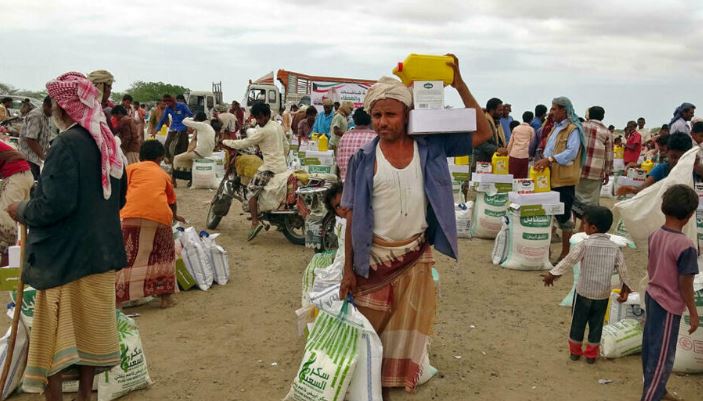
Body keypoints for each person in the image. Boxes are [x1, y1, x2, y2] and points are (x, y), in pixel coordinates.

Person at [339, 55, 491, 396]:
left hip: (414, 257)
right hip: (375, 259)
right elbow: (351, 217)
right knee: (370, 332)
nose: (382, 122)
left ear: (408, 114)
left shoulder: (431, 147)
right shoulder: (363, 159)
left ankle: (388, 386)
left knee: (405, 333)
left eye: (390, 114)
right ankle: (367, 386)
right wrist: (348, 270)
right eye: (377, 115)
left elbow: (483, 131)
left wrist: (459, 83)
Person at [7, 71, 127, 401]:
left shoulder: (66, 145)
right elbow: (119, 199)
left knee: (57, 333)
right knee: (90, 331)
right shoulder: (109, 144)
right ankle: (85, 395)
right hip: (101, 254)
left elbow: (52, 207)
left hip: (65, 258)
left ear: (64, 109)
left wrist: (21, 209)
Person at [542, 206, 631, 363]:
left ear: (593, 227)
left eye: (584, 224)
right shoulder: (614, 248)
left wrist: (553, 274)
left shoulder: (585, 244)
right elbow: (623, 270)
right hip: (602, 295)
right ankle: (591, 355)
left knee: (578, 323)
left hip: (583, 293)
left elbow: (569, 261)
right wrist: (626, 288)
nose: (583, 227)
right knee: (596, 326)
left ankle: (575, 352)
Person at [640, 184, 699, 401]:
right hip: (668, 304)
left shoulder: (655, 235)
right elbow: (686, 283)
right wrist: (693, 312)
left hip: (653, 296)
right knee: (662, 356)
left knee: (650, 348)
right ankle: (652, 395)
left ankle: (658, 390)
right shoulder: (686, 246)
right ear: (690, 215)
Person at [117, 140, 182, 309]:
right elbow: (172, 201)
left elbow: (120, 192)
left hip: (130, 215)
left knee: (128, 257)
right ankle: (165, 299)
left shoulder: (130, 169)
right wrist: (175, 216)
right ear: (160, 158)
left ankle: (119, 300)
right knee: (163, 256)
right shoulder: (163, 174)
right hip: (160, 217)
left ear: (140, 156)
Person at [223, 102, 288, 240]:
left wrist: (226, 142)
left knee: (251, 191)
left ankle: (254, 222)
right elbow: (286, 145)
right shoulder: (277, 126)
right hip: (282, 166)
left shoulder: (264, 131)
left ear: (267, 115)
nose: (258, 121)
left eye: (260, 118)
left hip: (270, 168)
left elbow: (245, 143)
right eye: (256, 118)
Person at [533, 97, 585, 262]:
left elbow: (571, 152)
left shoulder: (573, 130)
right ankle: (546, 253)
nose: (551, 112)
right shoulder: (555, 129)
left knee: (564, 218)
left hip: (563, 180)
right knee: (548, 213)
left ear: (564, 110)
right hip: (549, 178)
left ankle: (565, 253)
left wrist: (549, 160)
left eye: (554, 109)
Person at [617, 133, 692, 196]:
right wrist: (632, 189)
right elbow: (644, 187)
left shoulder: (694, 169)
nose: (677, 161)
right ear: (667, 152)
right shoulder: (662, 169)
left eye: (682, 157)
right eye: (674, 157)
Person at [573, 106, 612, 219]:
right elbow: (609, 155)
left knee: (574, 202)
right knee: (591, 205)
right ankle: (584, 231)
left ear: (589, 114)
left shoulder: (580, 127)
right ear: (603, 117)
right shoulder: (607, 132)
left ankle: (570, 229)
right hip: (595, 173)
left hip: (577, 169)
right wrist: (607, 172)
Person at [0, 140, 34, 263]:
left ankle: (7, 265)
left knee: (6, 221)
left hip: (16, 175)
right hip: (23, 175)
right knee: (19, 218)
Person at [172, 112, 216, 184]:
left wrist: (191, 118)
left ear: (197, 120)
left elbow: (184, 121)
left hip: (200, 153)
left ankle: (174, 179)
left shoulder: (201, 125)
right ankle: (191, 179)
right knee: (189, 160)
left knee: (176, 158)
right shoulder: (209, 126)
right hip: (208, 153)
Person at [336, 108, 377, 181]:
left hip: (345, 184)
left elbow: (338, 162)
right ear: (371, 119)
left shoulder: (344, 136)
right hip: (366, 186)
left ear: (354, 120)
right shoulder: (375, 138)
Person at [18, 96, 52, 179]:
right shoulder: (36, 116)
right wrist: (43, 158)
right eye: (53, 108)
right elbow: (30, 139)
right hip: (30, 159)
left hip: (36, 159)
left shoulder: (45, 116)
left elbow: (42, 138)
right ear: (46, 105)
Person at [155, 94, 193, 163]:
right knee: (167, 144)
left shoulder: (182, 106)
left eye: (168, 102)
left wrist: (188, 121)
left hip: (182, 128)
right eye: (165, 102)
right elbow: (163, 119)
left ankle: (182, 160)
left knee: (182, 145)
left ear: (172, 101)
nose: (167, 104)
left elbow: (190, 114)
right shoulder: (167, 108)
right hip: (173, 128)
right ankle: (169, 159)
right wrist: (158, 128)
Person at [474, 97, 506, 163]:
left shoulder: (496, 123)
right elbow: (481, 143)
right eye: (500, 110)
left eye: (502, 110)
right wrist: (497, 149)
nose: (502, 112)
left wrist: (502, 147)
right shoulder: (483, 122)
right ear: (492, 110)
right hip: (481, 161)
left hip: (491, 159)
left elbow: (494, 141)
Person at [506, 111, 534, 178]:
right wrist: (531, 155)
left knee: (512, 177)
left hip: (513, 155)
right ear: (531, 120)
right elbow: (532, 144)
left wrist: (507, 154)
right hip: (524, 156)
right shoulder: (531, 130)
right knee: (522, 178)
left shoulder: (516, 128)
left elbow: (510, 143)